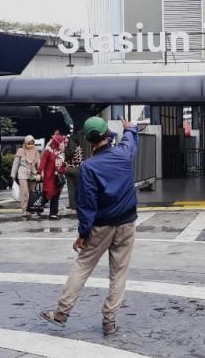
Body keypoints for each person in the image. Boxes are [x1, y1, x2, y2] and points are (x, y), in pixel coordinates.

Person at [40, 117, 138, 336]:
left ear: (88, 139)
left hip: (101, 226)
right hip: (127, 223)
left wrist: (83, 234)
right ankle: (110, 321)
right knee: (119, 273)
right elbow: (130, 140)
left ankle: (62, 312)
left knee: (83, 266)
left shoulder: (88, 167)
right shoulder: (123, 154)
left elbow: (87, 204)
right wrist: (130, 128)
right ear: (107, 135)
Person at [11, 135, 42, 219]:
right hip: (22, 172)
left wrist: (41, 173)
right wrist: (13, 174)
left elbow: (39, 163)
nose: (30, 144)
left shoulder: (36, 150)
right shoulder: (20, 151)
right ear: (25, 142)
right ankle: (24, 209)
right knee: (25, 193)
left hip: (32, 173)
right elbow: (16, 163)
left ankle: (29, 209)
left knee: (31, 193)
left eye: (32, 142)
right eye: (29, 143)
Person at [39, 134, 68, 220]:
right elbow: (43, 163)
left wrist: (65, 168)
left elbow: (61, 165)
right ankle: (37, 207)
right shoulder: (48, 151)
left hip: (58, 178)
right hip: (49, 178)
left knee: (56, 195)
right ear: (57, 142)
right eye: (62, 142)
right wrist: (39, 173)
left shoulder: (62, 152)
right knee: (47, 194)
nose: (64, 144)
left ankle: (53, 214)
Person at [65, 130, 86, 213]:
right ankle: (79, 205)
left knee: (71, 189)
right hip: (77, 169)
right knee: (79, 188)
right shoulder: (80, 149)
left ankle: (73, 206)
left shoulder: (68, 148)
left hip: (68, 169)